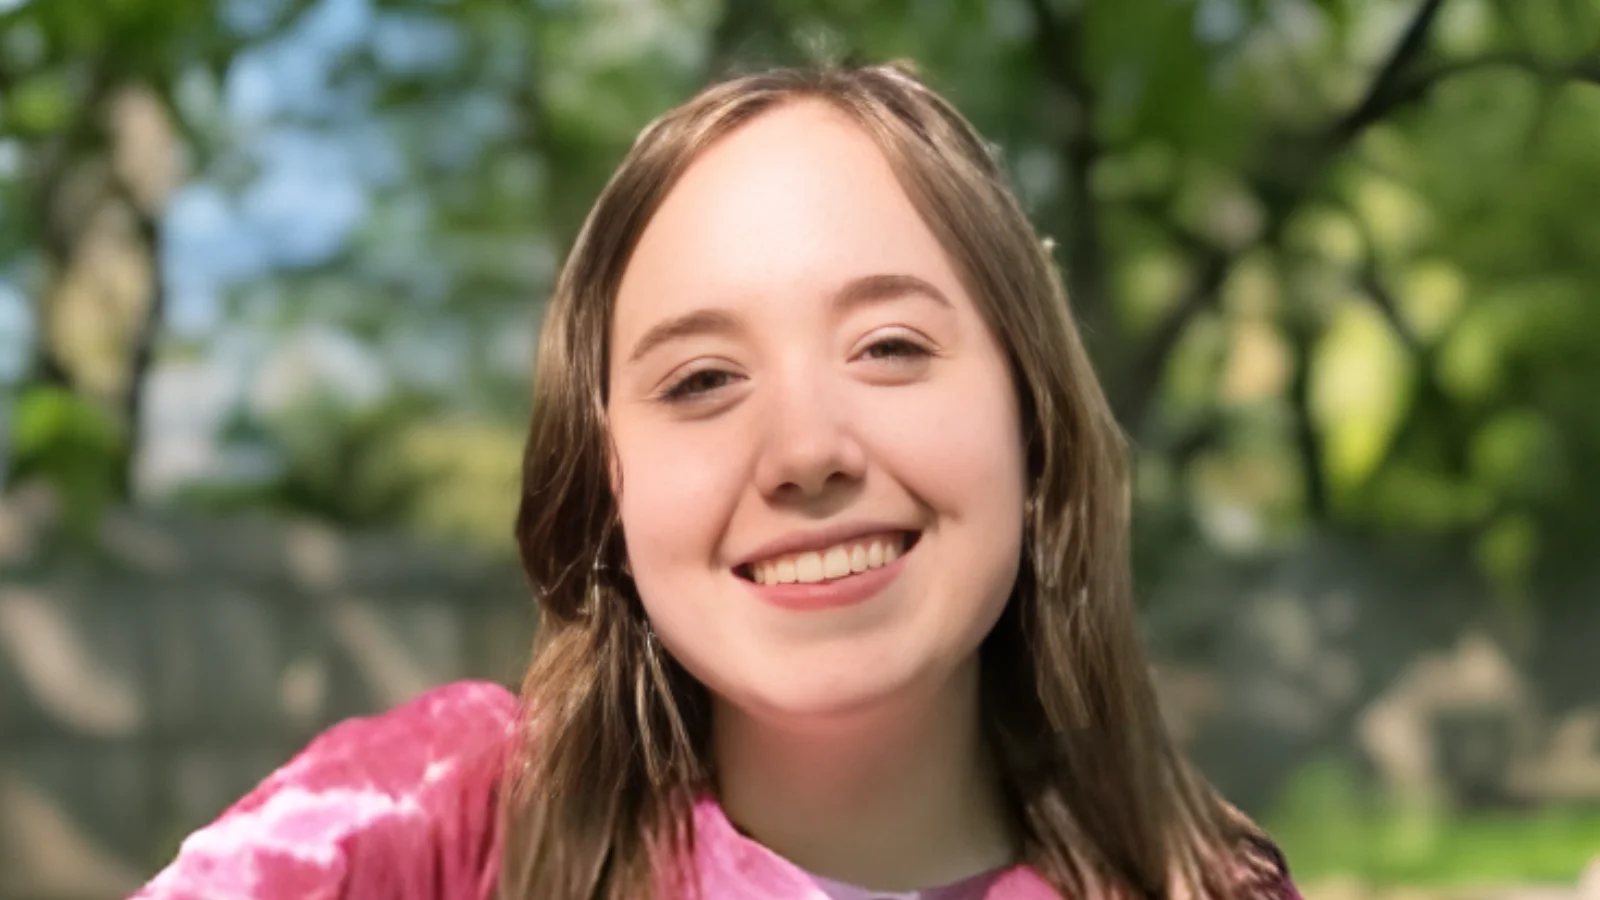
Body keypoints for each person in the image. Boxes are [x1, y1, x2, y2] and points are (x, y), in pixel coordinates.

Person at [130, 62, 1302, 900]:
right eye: (699, 380)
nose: (805, 451)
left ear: (1032, 420)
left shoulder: (1206, 883)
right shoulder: (431, 831)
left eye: (889, 347)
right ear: (606, 488)